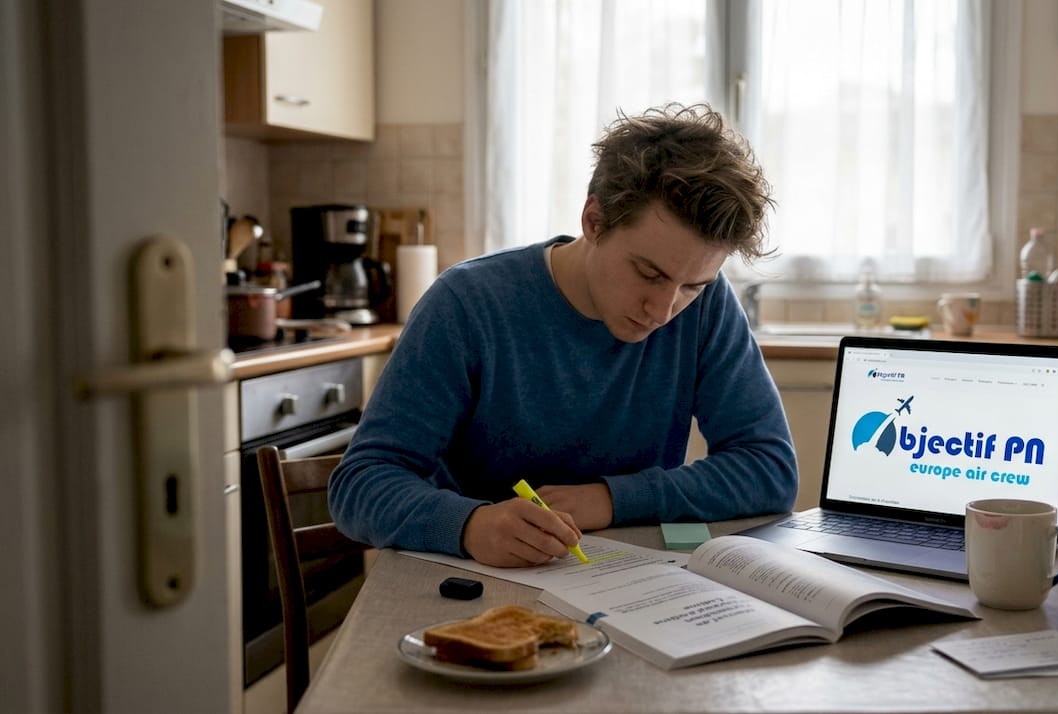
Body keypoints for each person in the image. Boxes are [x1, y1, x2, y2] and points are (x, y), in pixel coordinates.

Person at [329, 103, 797, 567]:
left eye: (692, 286)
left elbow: (769, 469)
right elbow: (361, 483)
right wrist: (470, 525)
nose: (664, 310)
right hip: (479, 587)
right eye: (648, 273)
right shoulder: (467, 303)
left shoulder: (708, 306)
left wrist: (611, 499)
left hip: (635, 584)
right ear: (594, 222)